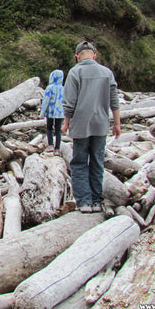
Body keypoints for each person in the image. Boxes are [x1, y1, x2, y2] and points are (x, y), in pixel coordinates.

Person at [61, 41, 121, 214]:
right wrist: (117, 123)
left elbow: (69, 102)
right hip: (101, 125)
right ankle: (96, 200)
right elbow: (114, 100)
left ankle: (84, 202)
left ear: (77, 56)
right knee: (97, 162)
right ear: (94, 55)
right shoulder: (106, 72)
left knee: (79, 162)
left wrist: (66, 123)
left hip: (80, 125)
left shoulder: (75, 72)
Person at [40, 69, 65, 154]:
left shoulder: (49, 88)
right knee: (58, 130)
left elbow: (46, 101)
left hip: (50, 111)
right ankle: (57, 148)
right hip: (60, 112)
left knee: (49, 128)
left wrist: (42, 113)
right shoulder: (63, 88)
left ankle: (50, 145)